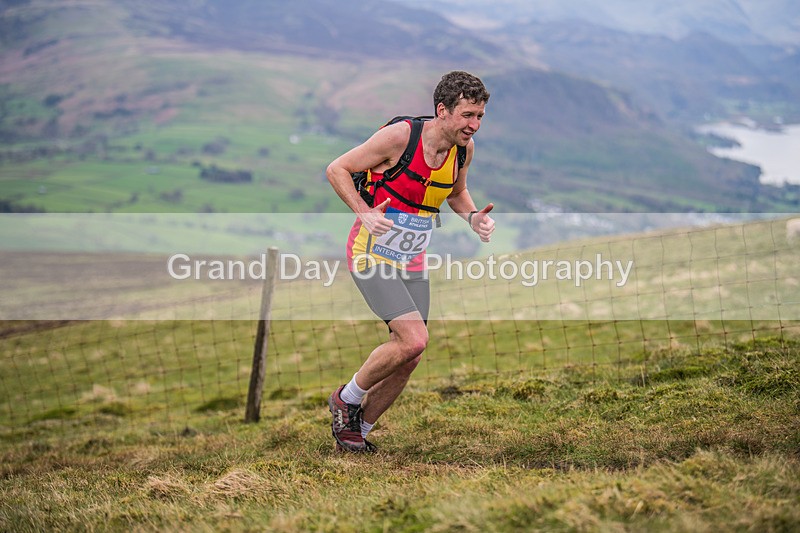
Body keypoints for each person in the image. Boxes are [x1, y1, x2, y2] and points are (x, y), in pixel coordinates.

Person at [325, 70, 495, 452]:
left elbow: (457, 192)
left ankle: (356, 436)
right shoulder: (401, 137)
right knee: (413, 338)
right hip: (371, 252)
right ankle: (346, 400)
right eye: (468, 115)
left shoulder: (463, 150)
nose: (475, 125)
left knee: (411, 355)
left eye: (480, 116)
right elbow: (337, 169)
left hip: (412, 257)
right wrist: (364, 210)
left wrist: (473, 218)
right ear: (443, 110)